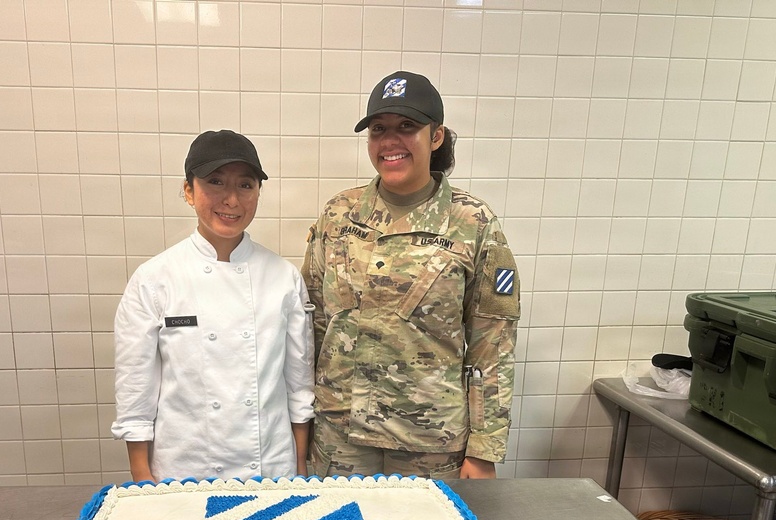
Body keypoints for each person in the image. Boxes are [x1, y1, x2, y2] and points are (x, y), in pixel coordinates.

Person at [302, 71, 521, 480]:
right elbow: (310, 325)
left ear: (435, 136)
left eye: (407, 127)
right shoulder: (338, 215)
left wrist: (484, 449)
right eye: (378, 129)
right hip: (340, 437)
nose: (390, 141)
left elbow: (493, 345)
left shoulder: (473, 222)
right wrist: (301, 427)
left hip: (431, 443)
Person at [112, 130, 314, 482]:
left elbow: (298, 387)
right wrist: (142, 476)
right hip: (183, 469)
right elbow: (136, 389)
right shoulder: (154, 279)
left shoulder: (284, 278)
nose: (231, 200)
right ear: (189, 191)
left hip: (271, 466)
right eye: (215, 182)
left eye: (245, 185)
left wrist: (298, 467)